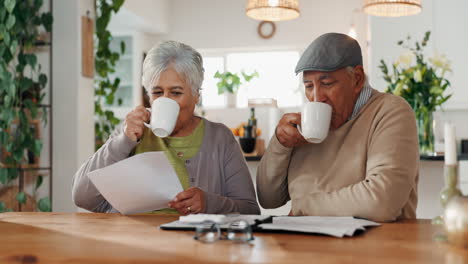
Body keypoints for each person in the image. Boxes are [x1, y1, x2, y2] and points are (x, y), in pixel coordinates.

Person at [73, 40, 260, 215]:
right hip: (134, 244)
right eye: (157, 92)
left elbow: (250, 210)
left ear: (196, 95)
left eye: (176, 92)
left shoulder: (220, 137)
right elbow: (83, 198)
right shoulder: (130, 132)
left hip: (195, 247)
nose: (165, 100)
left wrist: (209, 203)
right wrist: (123, 141)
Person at [256, 33, 419, 222]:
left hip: (374, 246)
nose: (317, 98)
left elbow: (382, 201)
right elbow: (268, 199)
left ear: (357, 79)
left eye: (327, 84)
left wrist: (304, 206)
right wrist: (280, 145)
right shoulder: (304, 125)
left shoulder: (390, 111)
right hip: (304, 245)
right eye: (309, 86)